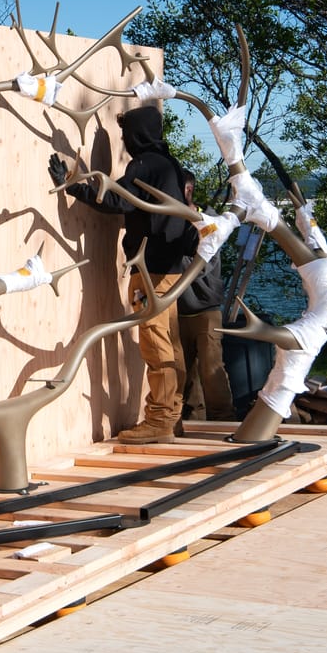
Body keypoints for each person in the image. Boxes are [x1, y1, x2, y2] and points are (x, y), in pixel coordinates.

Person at [53, 104, 196, 442]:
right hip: (171, 267)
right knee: (170, 342)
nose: (125, 141)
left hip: (150, 269)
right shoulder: (170, 165)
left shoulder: (144, 164)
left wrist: (74, 186)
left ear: (138, 134)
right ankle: (172, 415)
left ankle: (159, 421)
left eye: (126, 134)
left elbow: (119, 201)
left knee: (156, 341)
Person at [174, 168, 233, 422]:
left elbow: (201, 264)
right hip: (178, 310)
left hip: (205, 310)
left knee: (212, 372)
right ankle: (192, 422)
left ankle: (225, 422)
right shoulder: (172, 222)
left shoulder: (209, 222)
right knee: (184, 374)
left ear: (188, 190)